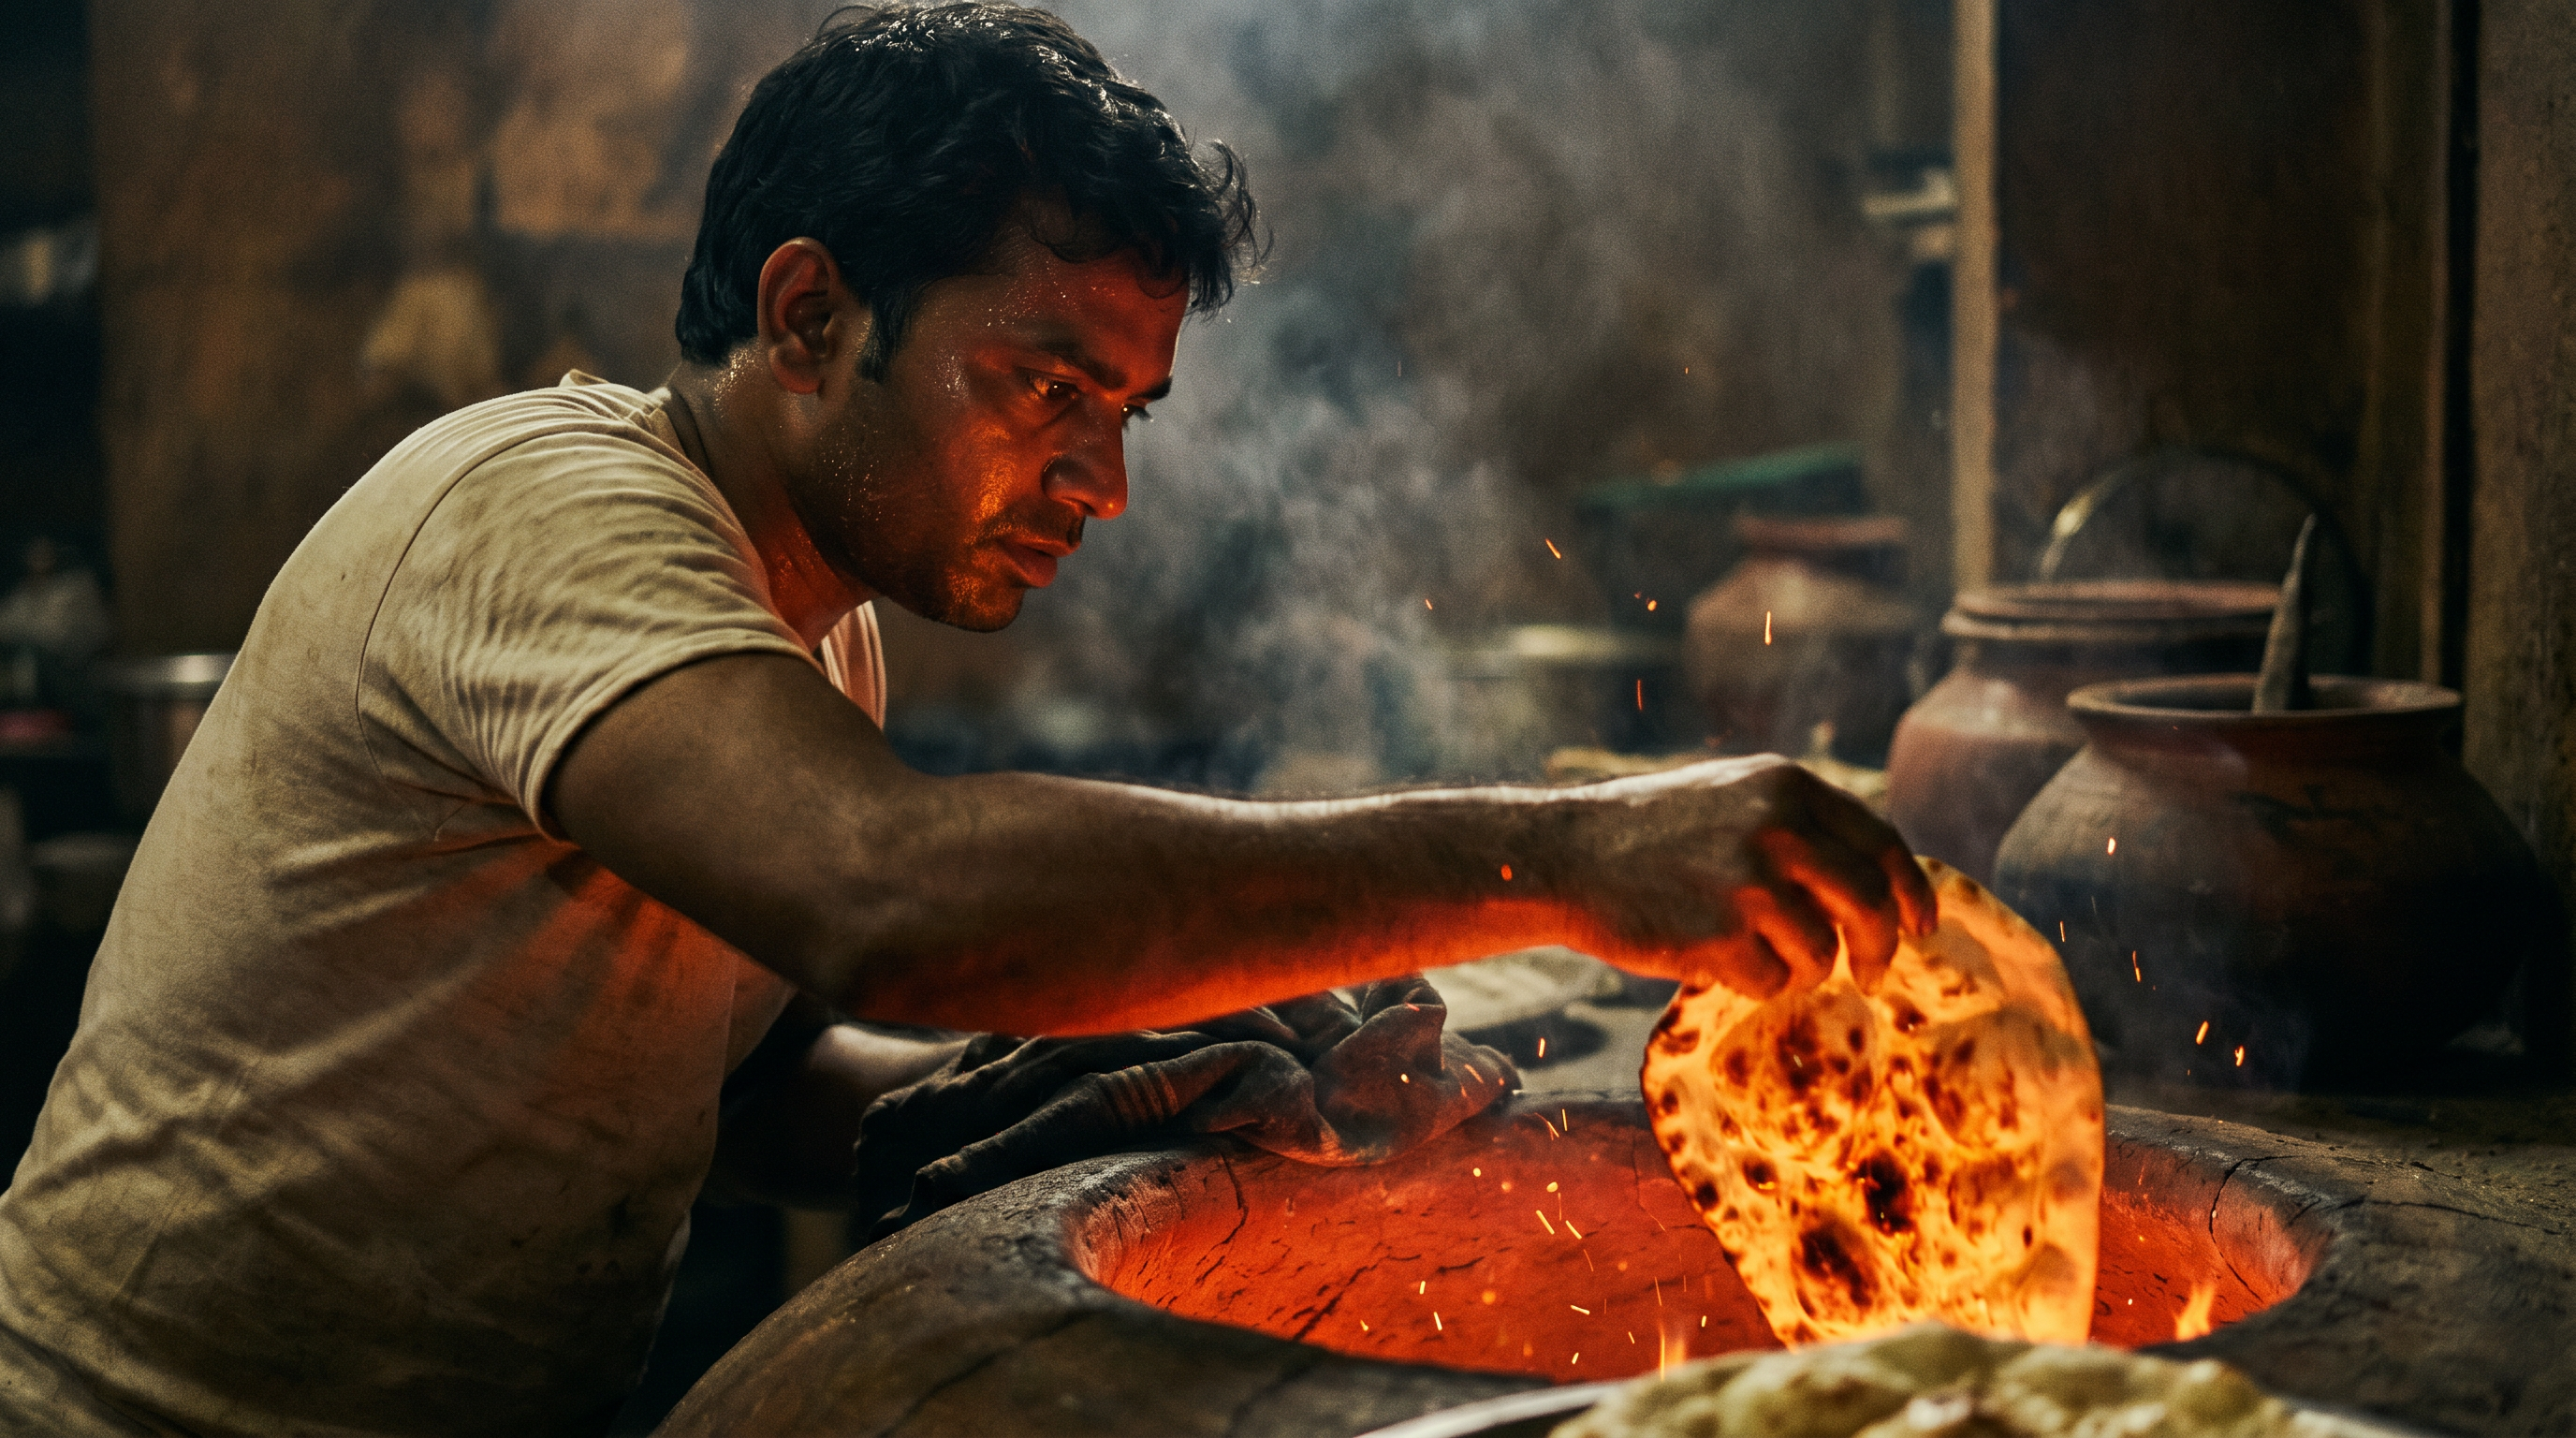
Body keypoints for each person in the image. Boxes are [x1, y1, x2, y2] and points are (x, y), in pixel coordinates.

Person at [0, 6, 1934, 1435]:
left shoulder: (808, 630)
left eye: (1126, 417)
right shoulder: (536, 507)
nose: (1096, 483)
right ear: (808, 312)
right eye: (1041, 385)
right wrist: (1567, 861)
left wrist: (989, 1106)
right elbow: (888, 895)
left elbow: (709, 1086)